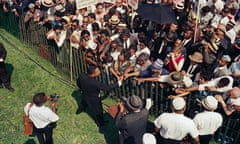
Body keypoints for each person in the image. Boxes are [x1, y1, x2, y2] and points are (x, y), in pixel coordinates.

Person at [76, 65, 123, 129]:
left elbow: (78, 82)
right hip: (94, 99)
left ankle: (79, 111)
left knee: (83, 103)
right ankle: (101, 123)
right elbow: (107, 88)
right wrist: (118, 83)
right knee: (99, 111)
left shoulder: (82, 75)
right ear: (93, 73)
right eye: (98, 71)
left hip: (85, 94)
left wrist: (81, 88)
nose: (99, 72)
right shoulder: (95, 83)